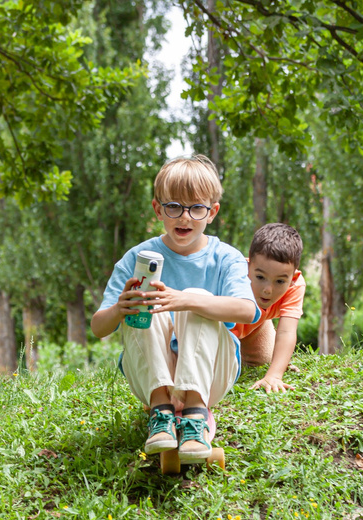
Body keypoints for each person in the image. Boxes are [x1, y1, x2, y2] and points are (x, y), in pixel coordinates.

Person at [91, 154, 260, 463]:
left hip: (211, 375)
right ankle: (161, 413)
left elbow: (247, 310)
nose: (185, 218)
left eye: (196, 208)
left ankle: (196, 412)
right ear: (159, 210)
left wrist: (185, 299)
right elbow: (99, 327)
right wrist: (119, 309)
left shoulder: (226, 257)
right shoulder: (138, 258)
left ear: (212, 212)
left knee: (197, 297)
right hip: (155, 374)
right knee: (141, 300)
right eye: (174, 207)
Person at [231, 222, 305, 394]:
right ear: (247, 266)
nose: (268, 289)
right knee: (226, 368)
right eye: (260, 277)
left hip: (256, 325)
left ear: (293, 278)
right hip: (222, 328)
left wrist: (274, 375)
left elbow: (287, 331)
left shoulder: (295, 286)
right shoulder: (234, 275)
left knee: (266, 359)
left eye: (279, 281)